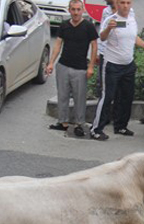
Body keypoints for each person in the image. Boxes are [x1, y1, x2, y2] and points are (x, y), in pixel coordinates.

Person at [91, 0, 144, 141]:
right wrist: (109, 28)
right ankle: (96, 129)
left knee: (127, 96)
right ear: (117, 3)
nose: (125, 6)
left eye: (128, 2)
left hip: (128, 65)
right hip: (112, 65)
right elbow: (102, 37)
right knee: (107, 96)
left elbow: (134, 38)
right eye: (122, 2)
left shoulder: (131, 19)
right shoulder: (111, 19)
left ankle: (121, 126)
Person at [47, 0, 98, 137]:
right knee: (62, 95)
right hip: (63, 65)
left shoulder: (88, 27)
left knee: (79, 98)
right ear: (69, 10)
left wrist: (91, 67)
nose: (76, 12)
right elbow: (58, 45)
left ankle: (79, 124)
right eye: (73, 9)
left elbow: (94, 46)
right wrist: (51, 63)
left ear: (83, 10)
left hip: (80, 68)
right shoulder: (64, 26)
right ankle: (63, 122)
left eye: (78, 9)